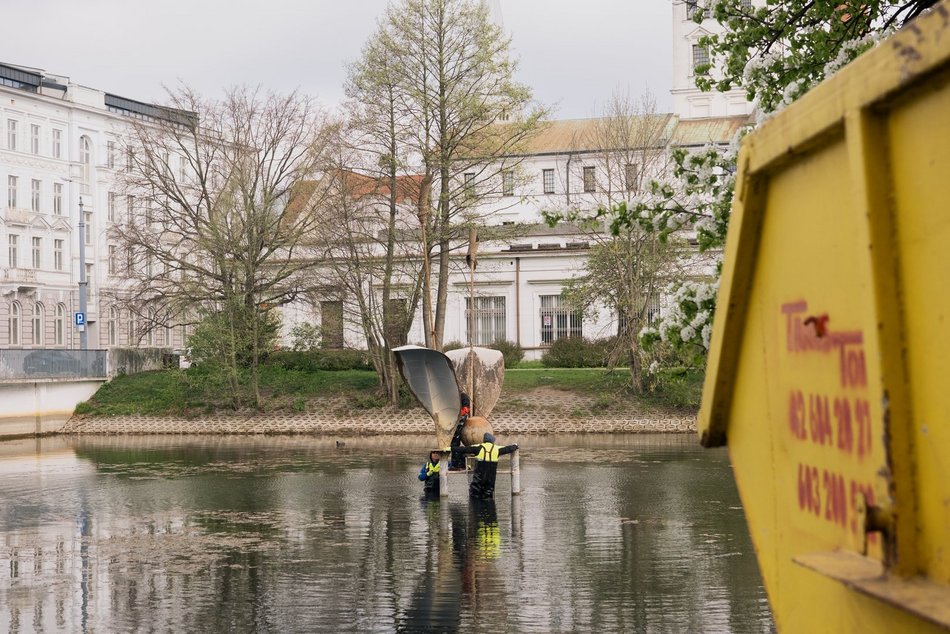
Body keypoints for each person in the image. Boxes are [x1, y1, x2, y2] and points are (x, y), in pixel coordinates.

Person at [456, 433, 518, 499]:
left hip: (478, 482)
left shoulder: (478, 448)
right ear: (492, 441)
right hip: (490, 482)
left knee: (475, 498)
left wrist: (451, 448)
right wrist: (515, 446)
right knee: (488, 497)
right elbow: (507, 449)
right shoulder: (496, 449)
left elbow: (463, 449)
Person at [448, 392, 471, 471]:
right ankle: (458, 463)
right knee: (454, 443)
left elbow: (465, 409)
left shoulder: (462, 396)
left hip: (459, 419)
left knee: (454, 443)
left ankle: (456, 464)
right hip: (454, 420)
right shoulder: (455, 396)